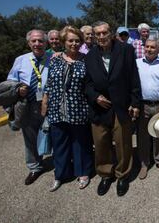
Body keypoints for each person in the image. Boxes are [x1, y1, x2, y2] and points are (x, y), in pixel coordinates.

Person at [84, 21, 141, 197]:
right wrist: (95, 96)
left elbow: (134, 77)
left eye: (104, 33)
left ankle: (122, 174)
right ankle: (106, 174)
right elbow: (86, 84)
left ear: (111, 33)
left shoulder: (126, 50)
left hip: (121, 106)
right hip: (99, 107)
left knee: (123, 142)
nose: (101, 37)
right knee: (101, 143)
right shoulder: (89, 56)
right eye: (98, 34)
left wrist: (135, 102)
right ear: (94, 36)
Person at [41, 26, 93, 192]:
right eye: (71, 40)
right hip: (56, 108)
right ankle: (60, 174)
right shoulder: (55, 59)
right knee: (60, 144)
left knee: (80, 143)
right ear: (64, 42)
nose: (74, 43)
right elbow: (49, 83)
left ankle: (83, 172)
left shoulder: (86, 60)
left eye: (77, 40)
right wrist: (44, 101)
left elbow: (90, 85)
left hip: (79, 109)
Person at [7, 29, 51, 185]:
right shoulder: (21, 60)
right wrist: (18, 89)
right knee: (30, 137)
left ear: (46, 43)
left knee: (53, 134)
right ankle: (35, 167)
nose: (37, 44)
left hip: (49, 104)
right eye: (34, 41)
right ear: (29, 43)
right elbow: (11, 80)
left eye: (41, 41)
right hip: (28, 105)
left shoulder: (53, 58)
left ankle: (60, 163)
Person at [136, 38, 159, 179]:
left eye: (153, 47)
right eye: (147, 47)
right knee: (143, 136)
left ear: (158, 49)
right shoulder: (137, 63)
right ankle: (144, 164)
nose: (149, 49)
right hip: (142, 105)